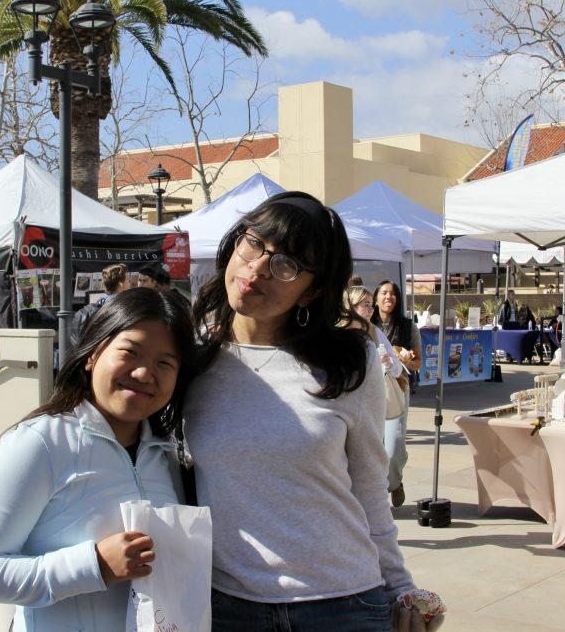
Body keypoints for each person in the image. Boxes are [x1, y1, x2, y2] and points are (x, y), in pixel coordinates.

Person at [185, 192, 440, 631]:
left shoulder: (349, 362)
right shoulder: (191, 357)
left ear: (314, 290)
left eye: (286, 264)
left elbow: (369, 487)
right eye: (253, 244)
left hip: (341, 605)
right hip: (227, 607)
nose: (258, 267)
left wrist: (400, 588)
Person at [0, 287, 197, 630]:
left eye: (164, 363)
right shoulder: (39, 443)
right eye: (130, 352)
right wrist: (95, 565)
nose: (145, 373)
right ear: (92, 355)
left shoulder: (165, 455)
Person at [375, 279, 422, 507]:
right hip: (370, 392)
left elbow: (418, 363)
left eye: (393, 294)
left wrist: (403, 359)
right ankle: (376, 494)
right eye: (383, 293)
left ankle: (395, 482)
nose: (388, 297)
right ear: (375, 298)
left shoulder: (407, 327)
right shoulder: (366, 324)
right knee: (373, 445)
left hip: (397, 391)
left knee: (394, 444)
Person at [71, 263, 130, 345]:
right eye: (128, 280)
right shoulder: (120, 304)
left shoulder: (101, 300)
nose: (129, 283)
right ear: (121, 284)